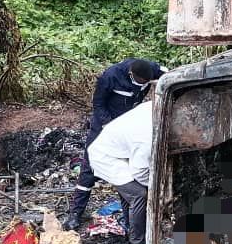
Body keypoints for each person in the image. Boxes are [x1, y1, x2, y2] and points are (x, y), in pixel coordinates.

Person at [64, 58, 166, 230]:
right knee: (89, 170)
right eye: (140, 82)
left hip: (129, 127)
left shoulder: (152, 69)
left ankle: (130, 221)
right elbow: (98, 104)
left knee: (127, 173)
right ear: (130, 74)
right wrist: (108, 126)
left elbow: (169, 78)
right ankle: (75, 213)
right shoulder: (111, 76)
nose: (143, 85)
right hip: (106, 125)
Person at [87, 101, 154, 244]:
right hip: (107, 158)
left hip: (118, 150)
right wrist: (155, 188)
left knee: (129, 195)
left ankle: (131, 230)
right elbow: (140, 171)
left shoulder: (153, 106)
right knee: (139, 194)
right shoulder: (146, 138)